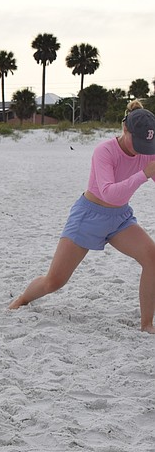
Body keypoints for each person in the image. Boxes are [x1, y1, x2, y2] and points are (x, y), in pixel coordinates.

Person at [9, 100, 155, 333]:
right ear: (125, 128)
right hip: (89, 216)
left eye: (147, 144)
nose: (142, 149)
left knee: (152, 258)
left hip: (120, 219)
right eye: (138, 142)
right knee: (54, 281)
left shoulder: (147, 151)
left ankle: (147, 325)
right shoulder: (105, 151)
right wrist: (143, 174)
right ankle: (21, 300)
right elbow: (108, 192)